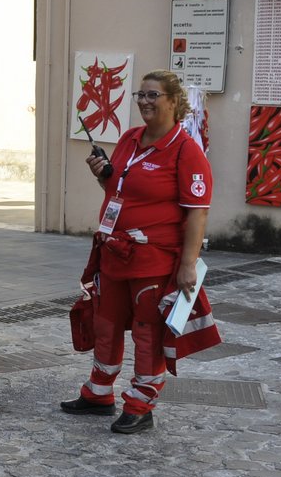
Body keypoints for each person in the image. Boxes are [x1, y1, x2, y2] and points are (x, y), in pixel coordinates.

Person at [59, 69, 215, 434]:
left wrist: (188, 265)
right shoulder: (130, 139)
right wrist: (101, 173)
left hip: (153, 260)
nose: (144, 102)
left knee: (147, 331)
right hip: (114, 253)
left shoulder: (185, 151)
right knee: (106, 323)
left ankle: (141, 403)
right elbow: (116, 189)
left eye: (152, 95)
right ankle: (98, 393)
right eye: (140, 95)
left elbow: (198, 212)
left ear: (173, 102)